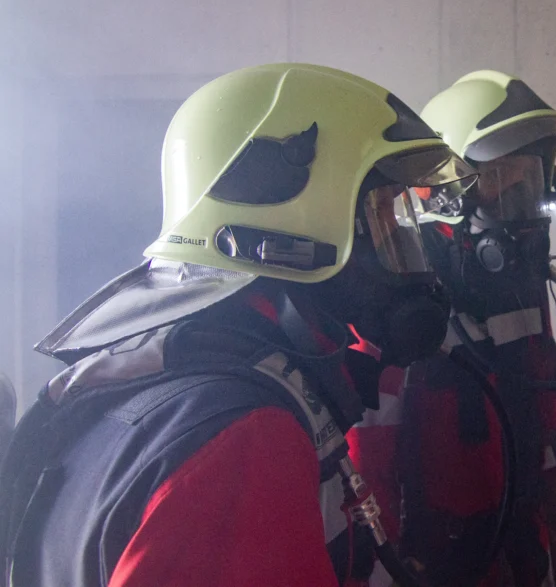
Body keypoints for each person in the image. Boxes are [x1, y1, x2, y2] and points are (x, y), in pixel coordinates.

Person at [0, 63, 477, 587]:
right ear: (299, 223)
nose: (397, 241)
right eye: (382, 215)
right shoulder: (246, 437)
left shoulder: (159, 370)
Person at [398, 71, 556, 587]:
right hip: (445, 553)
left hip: (525, 529)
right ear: (439, 191)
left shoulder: (520, 281)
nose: (516, 195)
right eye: (495, 177)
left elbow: (537, 405)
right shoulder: (403, 298)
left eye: (526, 176)